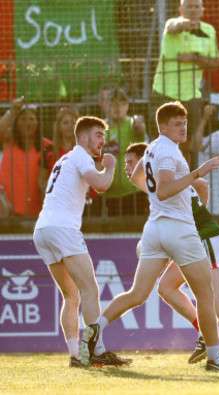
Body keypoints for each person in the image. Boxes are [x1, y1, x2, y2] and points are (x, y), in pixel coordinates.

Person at [79, 102, 219, 372]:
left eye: (185, 123)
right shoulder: (166, 150)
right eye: (177, 124)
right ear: (162, 127)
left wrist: (159, 195)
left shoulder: (152, 146)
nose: (183, 128)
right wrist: (198, 173)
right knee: (206, 295)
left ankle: (95, 328)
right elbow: (164, 190)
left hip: (154, 229)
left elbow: (137, 178)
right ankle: (215, 359)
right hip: (178, 229)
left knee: (138, 293)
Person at [124, 142, 219, 365]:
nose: (127, 168)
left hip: (206, 237)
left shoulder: (166, 181)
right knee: (166, 287)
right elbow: (202, 184)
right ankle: (204, 333)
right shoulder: (165, 183)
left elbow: (202, 183)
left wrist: (194, 220)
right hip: (194, 240)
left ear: (148, 163)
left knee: (214, 300)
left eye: (131, 162)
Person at [32, 116, 129, 367]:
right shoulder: (81, 155)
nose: (102, 141)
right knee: (90, 289)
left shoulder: (64, 158)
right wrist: (111, 166)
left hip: (43, 229)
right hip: (63, 229)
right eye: (98, 135)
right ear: (83, 138)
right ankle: (97, 350)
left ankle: (76, 355)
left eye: (103, 136)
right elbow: (102, 184)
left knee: (71, 295)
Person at [151, 0, 219, 166]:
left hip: (192, 95)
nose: (193, 10)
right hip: (164, 93)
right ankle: (161, 184)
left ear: (202, 10)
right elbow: (174, 27)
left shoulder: (209, 30)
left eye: (197, 6)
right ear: (181, 10)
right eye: (189, 6)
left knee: (188, 144)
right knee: (162, 142)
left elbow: (215, 63)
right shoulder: (172, 24)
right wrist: (184, 25)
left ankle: (187, 183)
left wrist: (194, 58)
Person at [94, 88, 147, 216]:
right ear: (106, 106)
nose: (117, 108)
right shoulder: (100, 130)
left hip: (134, 194)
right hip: (109, 196)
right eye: (113, 104)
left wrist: (139, 122)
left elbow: (140, 130)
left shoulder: (132, 125)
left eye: (121, 104)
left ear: (127, 106)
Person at [0, 106, 52, 217]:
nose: (27, 122)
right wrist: (12, 111)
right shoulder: (9, 140)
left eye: (31, 119)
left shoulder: (47, 146)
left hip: (38, 209)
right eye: (23, 119)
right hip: (8, 209)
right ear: (16, 123)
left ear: (38, 123)